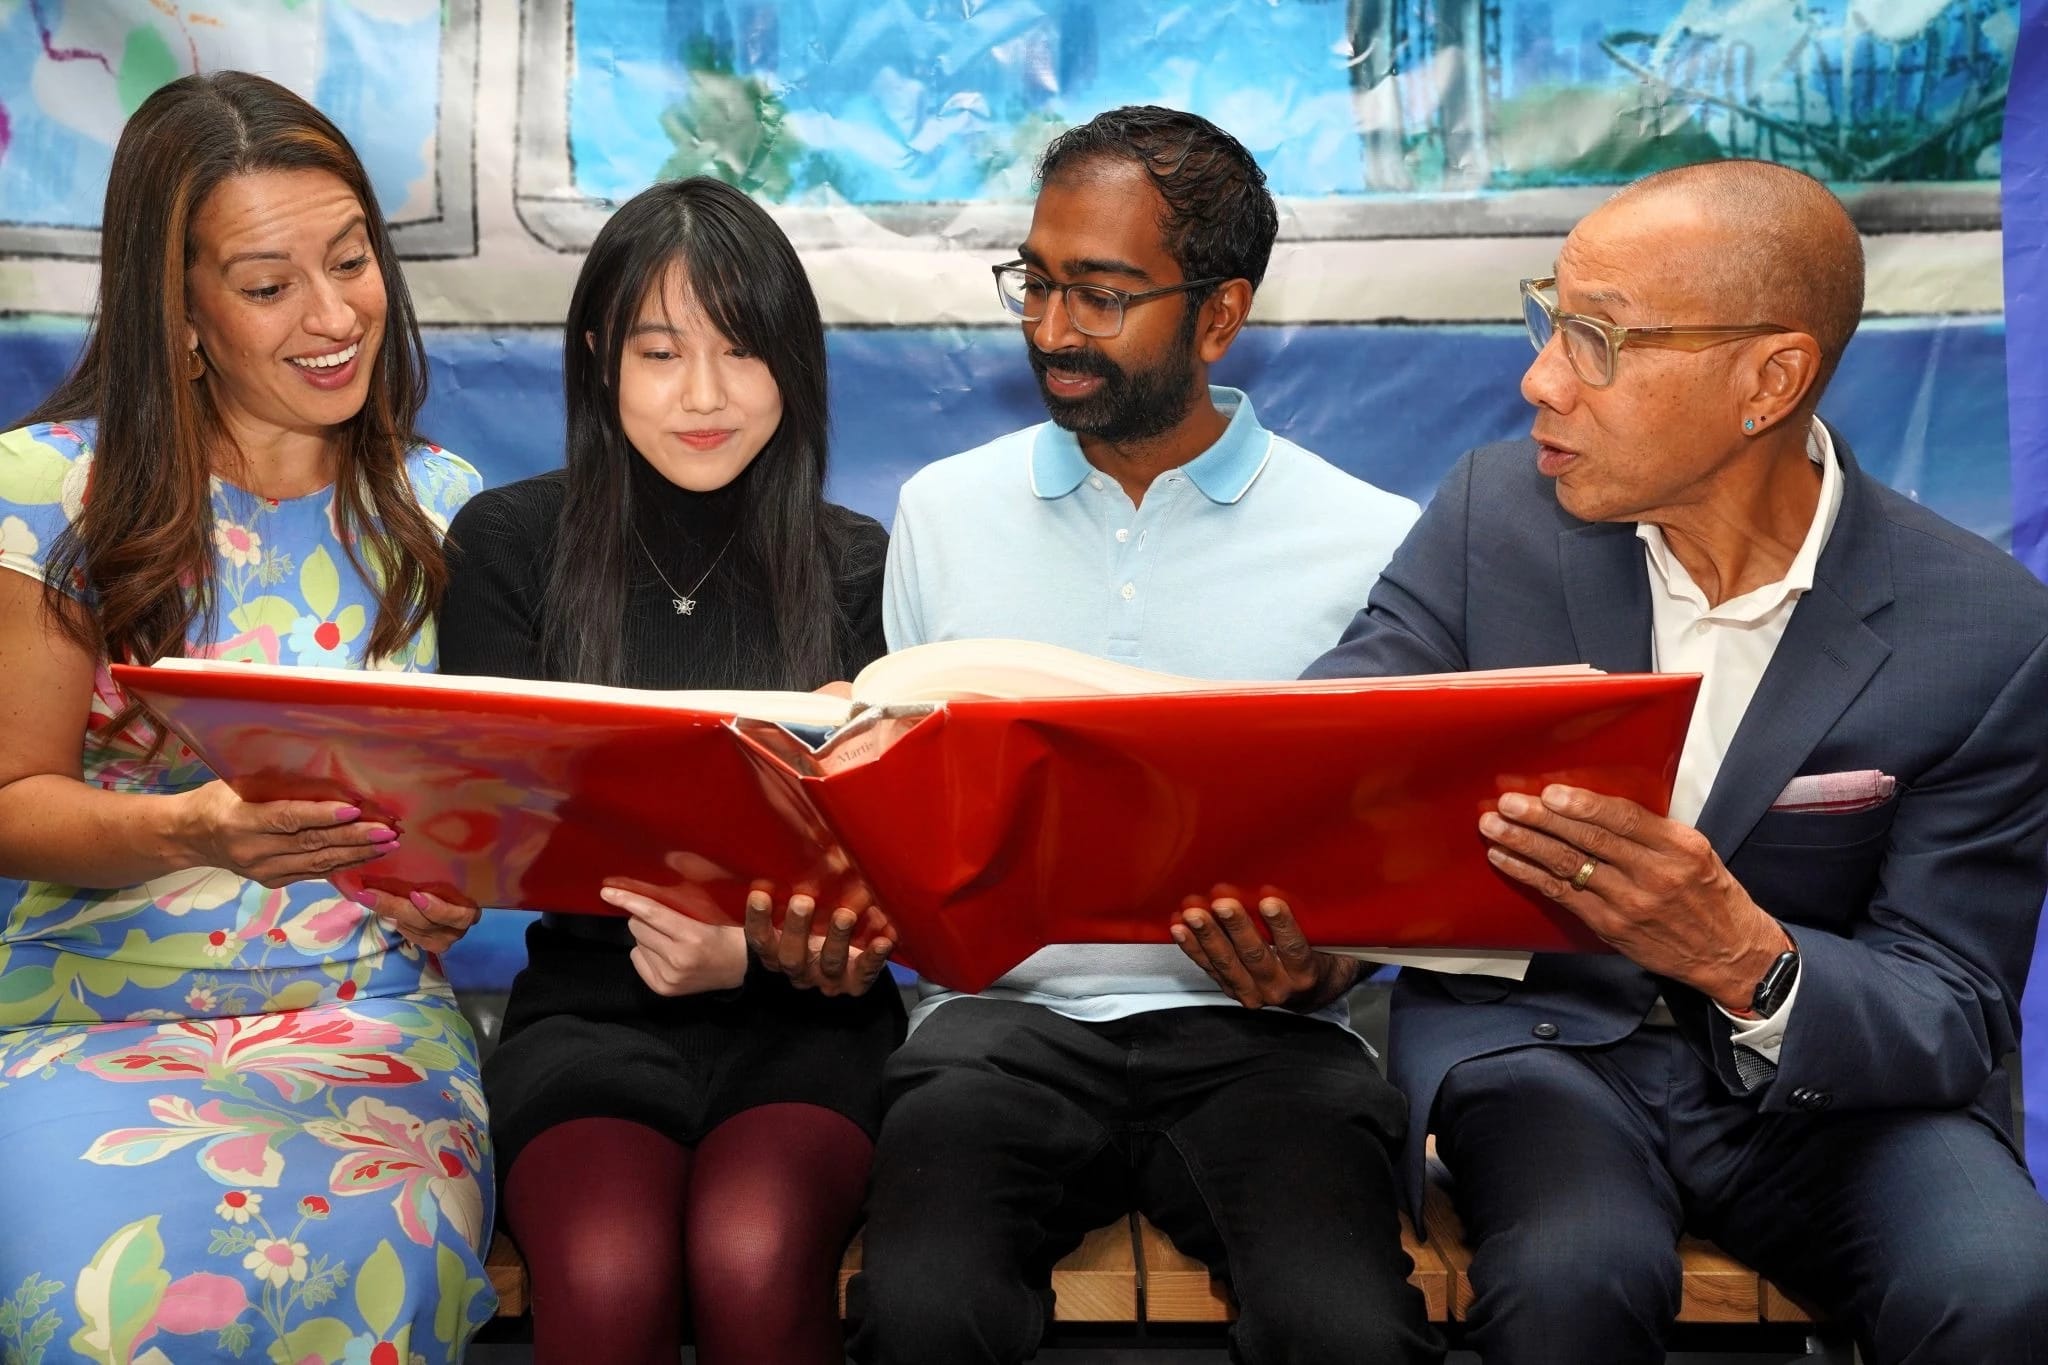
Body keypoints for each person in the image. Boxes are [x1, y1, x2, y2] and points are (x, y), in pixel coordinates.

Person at [1237, 159, 2048, 1364]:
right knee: (1573, 1275)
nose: (1538, 379)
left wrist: (1744, 957)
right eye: (1546, 320)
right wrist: (1295, 923)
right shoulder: (1491, 518)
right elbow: (1338, 752)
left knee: (1998, 1287)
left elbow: (1950, 1001)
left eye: (1596, 341)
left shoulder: (1981, 626)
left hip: (1838, 1093)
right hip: (1546, 1051)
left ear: (1766, 380)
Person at [850, 106, 1444, 1365]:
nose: (1053, 330)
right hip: (991, 1031)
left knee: (1345, 1329)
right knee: (919, 1311)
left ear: (1220, 315)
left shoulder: (1370, 538)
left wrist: (1329, 965)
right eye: (1037, 283)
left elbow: (1403, 857)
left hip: (1266, 1041)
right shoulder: (941, 512)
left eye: (1103, 295)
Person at [0, 72, 494, 1364]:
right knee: (98, 1313)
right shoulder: (51, 492)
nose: (335, 317)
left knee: (380, 1280)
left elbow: (477, 817)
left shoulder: (445, 511)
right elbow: (12, 807)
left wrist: (448, 886)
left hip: (370, 1022)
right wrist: (194, 832)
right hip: (87, 1026)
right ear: (179, 314)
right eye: (272, 286)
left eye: (352, 262)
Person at [432, 176, 902, 1365]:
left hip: (810, 1022)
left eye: (743, 352)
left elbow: (893, 881)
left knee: (751, 1251)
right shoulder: (507, 544)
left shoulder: (854, 564)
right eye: (659, 352)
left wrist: (747, 946)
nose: (704, 395)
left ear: (794, 366)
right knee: (605, 1267)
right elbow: (488, 828)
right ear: (598, 358)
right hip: (588, 1016)